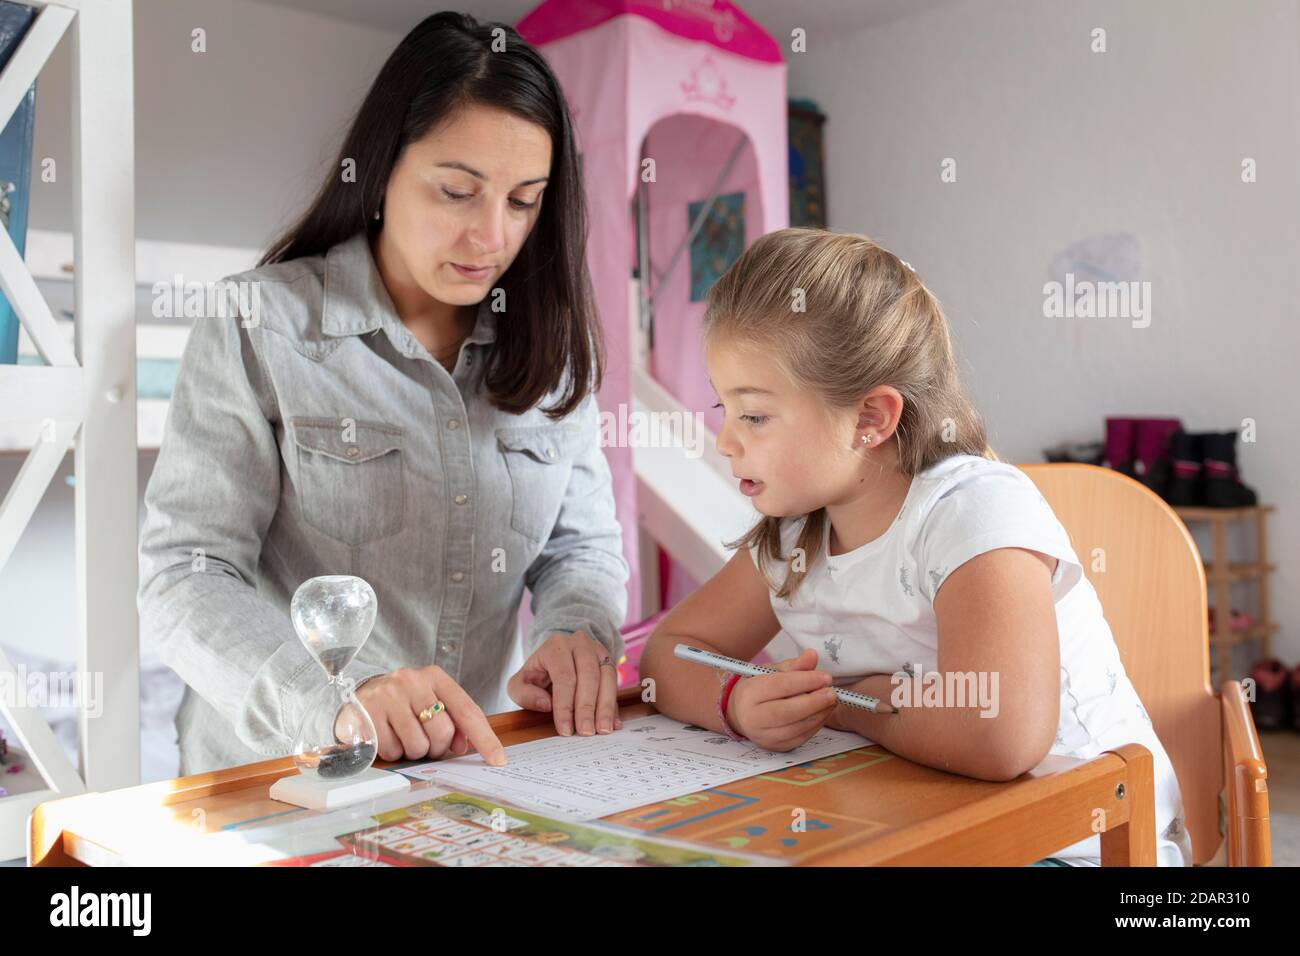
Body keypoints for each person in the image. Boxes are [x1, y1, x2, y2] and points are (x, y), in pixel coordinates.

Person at [139, 12, 629, 776]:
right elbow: (185, 575)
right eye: (458, 191)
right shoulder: (259, 324)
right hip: (275, 774)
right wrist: (331, 698)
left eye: (523, 201)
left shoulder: (553, 352)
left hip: (465, 773)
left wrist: (575, 630)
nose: (491, 238)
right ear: (378, 171)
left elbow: (580, 547)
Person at [640, 228, 1192, 866]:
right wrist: (734, 700)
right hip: (919, 819)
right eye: (723, 409)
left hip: (1079, 844)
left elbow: (1000, 733)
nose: (726, 442)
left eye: (755, 416)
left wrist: (851, 704)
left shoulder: (973, 511)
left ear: (871, 418)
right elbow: (669, 654)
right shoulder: (797, 533)